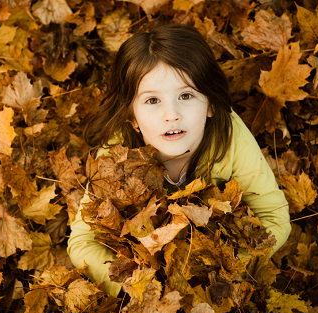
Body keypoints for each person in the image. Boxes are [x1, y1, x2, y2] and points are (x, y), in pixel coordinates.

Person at [67, 24, 291, 296]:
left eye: (185, 96)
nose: (171, 114)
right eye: (152, 101)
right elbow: (81, 242)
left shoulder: (229, 138)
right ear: (132, 115)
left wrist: (227, 269)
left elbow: (275, 218)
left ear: (210, 104)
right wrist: (140, 287)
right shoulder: (117, 154)